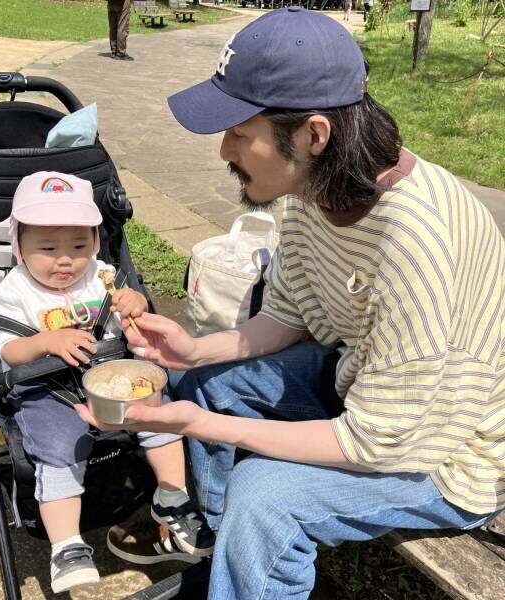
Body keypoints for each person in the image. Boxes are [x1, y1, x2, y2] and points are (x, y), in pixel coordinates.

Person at [76, 8, 505, 600]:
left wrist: (200, 425)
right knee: (206, 382)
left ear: (313, 134)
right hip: (372, 386)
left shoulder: (414, 245)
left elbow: (375, 443)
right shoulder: (312, 187)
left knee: (264, 496)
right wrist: (195, 350)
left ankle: (247, 550)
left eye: (238, 131)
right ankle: (230, 559)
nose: (223, 148)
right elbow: (290, 314)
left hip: (448, 453)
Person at [0, 171, 214, 594]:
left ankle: (171, 495)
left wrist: (135, 303)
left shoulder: (101, 275)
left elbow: (131, 318)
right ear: (19, 247)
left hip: (112, 380)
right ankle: (67, 544)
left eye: (79, 245)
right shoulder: (12, 293)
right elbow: (9, 352)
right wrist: (44, 342)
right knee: (58, 445)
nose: (66, 260)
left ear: (94, 241)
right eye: (48, 248)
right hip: (47, 388)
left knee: (159, 412)